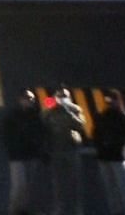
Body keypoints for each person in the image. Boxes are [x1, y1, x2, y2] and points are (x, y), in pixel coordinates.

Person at [42, 85, 86, 215]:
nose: (63, 98)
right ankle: (58, 209)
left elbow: (80, 126)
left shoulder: (76, 109)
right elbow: (43, 125)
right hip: (56, 149)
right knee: (57, 182)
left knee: (74, 181)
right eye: (60, 96)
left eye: (65, 96)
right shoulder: (49, 110)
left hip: (71, 149)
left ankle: (77, 209)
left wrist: (69, 113)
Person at [2, 89, 44, 215]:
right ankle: (14, 210)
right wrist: (12, 148)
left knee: (31, 185)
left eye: (32, 99)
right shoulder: (13, 116)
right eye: (27, 98)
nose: (30, 101)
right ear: (20, 100)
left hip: (32, 154)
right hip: (17, 155)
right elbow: (7, 134)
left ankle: (25, 210)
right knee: (19, 186)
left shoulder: (36, 115)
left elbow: (41, 133)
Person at [93, 89, 125, 215]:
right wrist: (101, 147)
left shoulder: (123, 118)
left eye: (112, 100)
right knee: (110, 188)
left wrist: (112, 145)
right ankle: (116, 212)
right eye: (107, 100)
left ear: (117, 101)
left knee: (123, 188)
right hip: (104, 157)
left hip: (117, 157)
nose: (109, 103)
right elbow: (96, 134)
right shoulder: (102, 116)